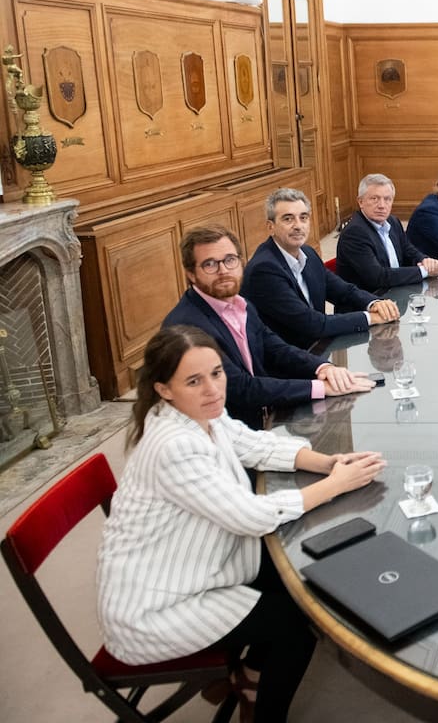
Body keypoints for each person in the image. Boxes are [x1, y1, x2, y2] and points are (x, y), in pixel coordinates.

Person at [97, 325, 386, 722]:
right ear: (164, 388)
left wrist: (328, 464)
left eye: (217, 373)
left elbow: (254, 444)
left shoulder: (199, 415)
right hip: (155, 608)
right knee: (296, 623)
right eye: (194, 381)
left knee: (298, 575)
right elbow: (250, 516)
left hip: (192, 568)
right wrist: (335, 486)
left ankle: (250, 676)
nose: (213, 389)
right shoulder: (174, 445)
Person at [163, 225, 375, 427]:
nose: (223, 271)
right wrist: (320, 388)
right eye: (210, 264)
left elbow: (275, 348)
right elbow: (241, 388)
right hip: (222, 435)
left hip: (260, 420)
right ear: (191, 273)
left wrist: (323, 368)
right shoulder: (188, 326)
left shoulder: (240, 303)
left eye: (230, 260)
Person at [242, 188, 400, 349]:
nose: (298, 226)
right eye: (288, 219)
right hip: (286, 361)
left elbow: (344, 291)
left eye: (303, 218)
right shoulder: (264, 269)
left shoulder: (308, 253)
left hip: (316, 348)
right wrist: (371, 318)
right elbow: (312, 324)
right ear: (271, 227)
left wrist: (373, 303)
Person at [336, 173, 438, 292]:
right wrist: (424, 271)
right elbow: (378, 277)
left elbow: (408, 250)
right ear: (361, 202)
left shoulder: (393, 221)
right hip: (370, 302)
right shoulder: (354, 233)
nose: (382, 205)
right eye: (374, 199)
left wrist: (424, 260)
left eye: (387, 199)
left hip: (397, 292)